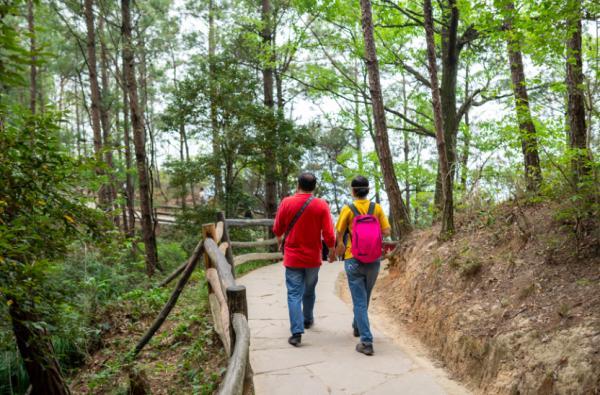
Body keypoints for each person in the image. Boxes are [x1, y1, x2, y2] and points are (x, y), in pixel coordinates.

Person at [273, 172, 336, 347]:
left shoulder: (287, 203)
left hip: (293, 258)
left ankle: (296, 333)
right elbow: (329, 232)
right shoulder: (321, 205)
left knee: (294, 294)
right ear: (314, 186)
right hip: (313, 258)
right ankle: (307, 319)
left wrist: (280, 241)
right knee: (309, 290)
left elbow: (277, 228)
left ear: (297, 184)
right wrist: (331, 250)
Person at [335, 176, 391, 356]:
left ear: (353, 190)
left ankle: (366, 341)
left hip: (354, 258)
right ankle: (357, 326)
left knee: (359, 300)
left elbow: (339, 231)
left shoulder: (348, 209)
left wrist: (340, 246)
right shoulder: (377, 208)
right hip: (373, 259)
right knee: (364, 297)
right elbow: (387, 230)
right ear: (368, 190)